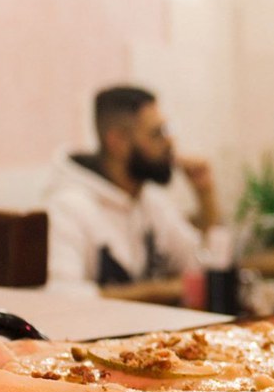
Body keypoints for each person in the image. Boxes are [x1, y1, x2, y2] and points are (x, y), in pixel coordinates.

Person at [45, 85, 219, 301]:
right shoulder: (67, 207)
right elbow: (61, 297)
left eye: (167, 131)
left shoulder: (150, 199)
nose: (170, 142)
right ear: (117, 141)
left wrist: (205, 193)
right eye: (157, 134)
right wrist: (161, 290)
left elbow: (201, 264)